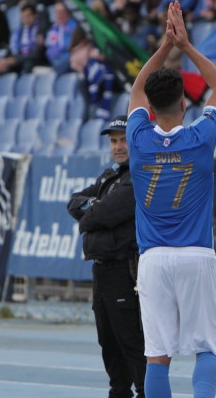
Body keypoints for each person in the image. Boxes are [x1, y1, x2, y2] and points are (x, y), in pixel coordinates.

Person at [126, 1, 216, 398]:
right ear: (185, 103)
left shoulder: (138, 138)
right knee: (207, 349)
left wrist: (164, 47)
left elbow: (138, 87)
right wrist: (185, 46)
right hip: (196, 256)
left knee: (157, 356)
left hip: (152, 260)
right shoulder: (201, 137)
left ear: (149, 110)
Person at [67, 115, 146, 398]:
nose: (118, 146)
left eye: (123, 139)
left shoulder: (138, 174)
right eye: (113, 141)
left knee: (131, 343)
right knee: (109, 345)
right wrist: (94, 209)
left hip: (124, 270)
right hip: (102, 270)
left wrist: (90, 213)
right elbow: (74, 201)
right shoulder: (109, 174)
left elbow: (99, 214)